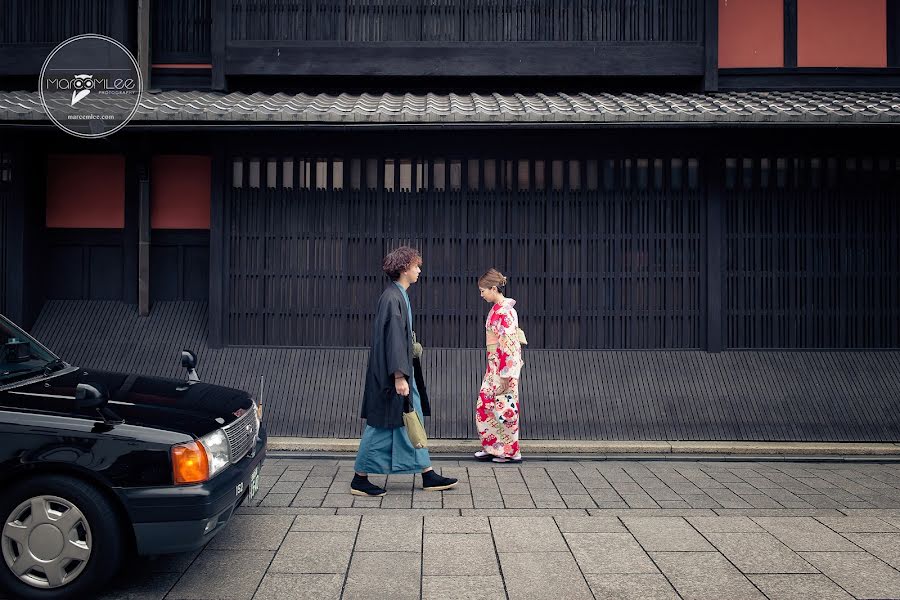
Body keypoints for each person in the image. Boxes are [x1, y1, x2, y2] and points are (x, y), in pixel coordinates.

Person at [351, 246, 458, 496]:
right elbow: (394, 339)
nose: (419, 270)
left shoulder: (397, 295)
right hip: (391, 377)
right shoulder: (393, 298)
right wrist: (399, 375)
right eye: (416, 266)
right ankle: (359, 478)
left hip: (397, 372)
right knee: (381, 426)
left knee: (409, 418)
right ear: (403, 269)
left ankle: (427, 473)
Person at [474, 268, 524, 463]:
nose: (482, 295)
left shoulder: (506, 311)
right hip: (494, 366)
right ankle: (494, 446)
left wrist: (506, 374)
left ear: (493, 288)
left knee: (504, 409)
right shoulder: (498, 309)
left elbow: (509, 345)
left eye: (483, 291)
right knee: (485, 406)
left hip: (504, 368)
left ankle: (511, 451)